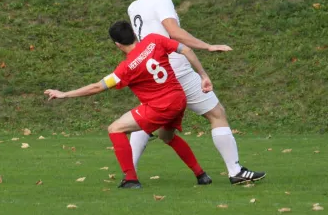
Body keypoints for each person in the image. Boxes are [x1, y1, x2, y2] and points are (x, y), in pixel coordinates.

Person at [126, 0, 266, 185]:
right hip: (174, 66)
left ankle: (129, 174)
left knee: (148, 119)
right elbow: (174, 32)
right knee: (217, 114)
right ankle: (235, 170)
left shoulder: (134, 6)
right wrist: (208, 46)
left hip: (152, 71)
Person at [44, 20, 214, 189]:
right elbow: (186, 49)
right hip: (178, 99)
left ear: (117, 44)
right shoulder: (154, 39)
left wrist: (64, 94)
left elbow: (97, 87)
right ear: (134, 33)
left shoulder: (126, 68)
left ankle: (130, 179)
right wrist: (204, 76)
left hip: (160, 107)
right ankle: (201, 175)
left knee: (115, 128)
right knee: (166, 136)